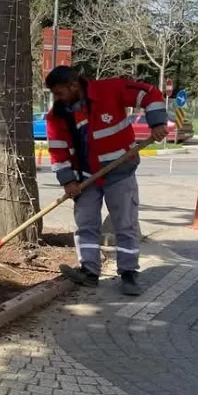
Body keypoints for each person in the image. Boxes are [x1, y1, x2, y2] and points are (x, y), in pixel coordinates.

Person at [44, 66, 168, 296]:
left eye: (59, 92)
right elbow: (58, 153)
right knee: (86, 225)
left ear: (73, 85)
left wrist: (157, 122)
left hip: (120, 171)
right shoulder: (57, 116)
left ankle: (129, 273)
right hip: (85, 179)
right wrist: (68, 182)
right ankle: (89, 272)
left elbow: (149, 93)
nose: (56, 98)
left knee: (125, 224)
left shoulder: (110, 90)